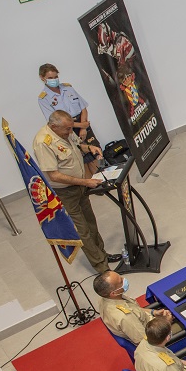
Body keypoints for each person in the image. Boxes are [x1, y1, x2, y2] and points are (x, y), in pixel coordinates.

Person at [32, 111, 112, 272]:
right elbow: (53, 175)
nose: (70, 132)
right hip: (65, 193)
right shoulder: (44, 142)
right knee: (82, 230)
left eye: (70, 128)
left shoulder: (64, 131)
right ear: (54, 126)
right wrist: (86, 182)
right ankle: (101, 267)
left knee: (91, 222)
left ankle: (102, 254)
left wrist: (89, 147)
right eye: (67, 129)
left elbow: (76, 146)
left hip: (81, 187)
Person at [93, 270, 183, 345]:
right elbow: (148, 341)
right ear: (113, 293)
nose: (124, 279)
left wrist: (153, 312)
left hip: (150, 323)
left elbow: (134, 310)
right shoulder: (125, 318)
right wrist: (167, 322)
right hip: (155, 338)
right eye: (120, 281)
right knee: (184, 322)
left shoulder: (105, 298)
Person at [37, 64, 96, 173]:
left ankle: (103, 182)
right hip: (67, 129)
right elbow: (56, 121)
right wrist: (79, 126)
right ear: (42, 78)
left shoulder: (68, 88)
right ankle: (89, 184)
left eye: (55, 77)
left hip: (82, 123)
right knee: (81, 158)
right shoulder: (44, 98)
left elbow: (83, 107)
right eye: (50, 78)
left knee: (94, 153)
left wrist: (83, 127)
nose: (54, 80)